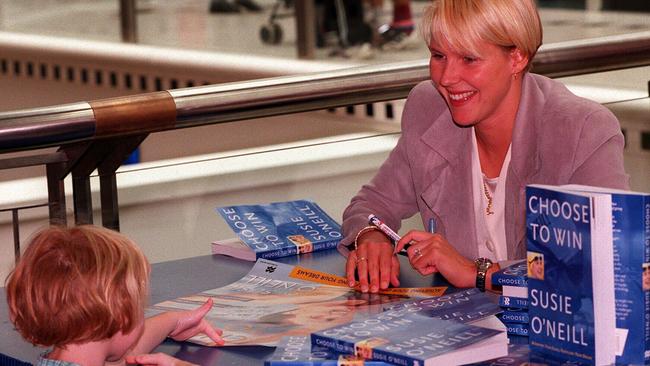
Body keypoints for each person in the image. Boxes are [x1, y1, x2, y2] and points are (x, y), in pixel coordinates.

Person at [340, 0, 629, 294]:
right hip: (461, 331)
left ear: (517, 58)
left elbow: (606, 265)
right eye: (438, 55)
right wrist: (371, 237)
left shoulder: (582, 129)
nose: (446, 78)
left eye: (469, 59)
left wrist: (482, 274)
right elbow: (372, 204)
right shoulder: (429, 108)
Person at [5, 225, 225, 366]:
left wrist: (173, 321)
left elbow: (127, 352)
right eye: (139, 306)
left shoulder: (68, 357)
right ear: (121, 317)